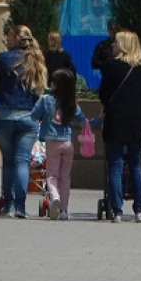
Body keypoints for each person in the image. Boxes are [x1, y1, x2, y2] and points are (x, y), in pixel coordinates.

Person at [99, 29, 141, 223]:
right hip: (136, 121)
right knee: (135, 164)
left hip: (115, 119)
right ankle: (139, 209)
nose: (112, 45)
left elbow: (103, 94)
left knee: (115, 164)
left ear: (123, 44)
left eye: (116, 42)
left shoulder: (111, 66)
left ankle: (117, 211)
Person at [0, 24, 47, 218]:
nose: (6, 40)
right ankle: (21, 207)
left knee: (8, 162)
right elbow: (39, 90)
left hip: (5, 115)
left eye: (8, 36)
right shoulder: (35, 59)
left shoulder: (2, 59)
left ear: (16, 38)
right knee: (22, 161)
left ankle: (9, 205)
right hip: (28, 116)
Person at [30, 68, 95, 220]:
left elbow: (34, 115)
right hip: (68, 142)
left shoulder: (46, 100)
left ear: (55, 84)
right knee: (65, 176)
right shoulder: (72, 104)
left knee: (52, 175)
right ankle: (64, 211)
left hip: (52, 142)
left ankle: (55, 197)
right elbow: (82, 120)